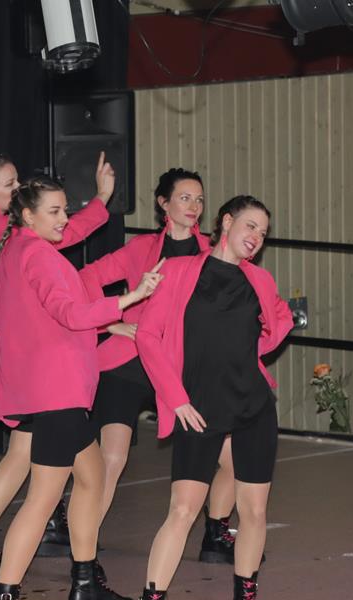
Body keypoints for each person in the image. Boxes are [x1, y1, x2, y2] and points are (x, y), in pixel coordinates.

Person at [0, 175, 160, 600]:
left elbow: (6, 316)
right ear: (28, 215)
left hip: (39, 387)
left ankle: (85, 584)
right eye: (56, 211)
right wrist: (130, 298)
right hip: (55, 391)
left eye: (65, 210)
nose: (65, 219)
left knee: (92, 476)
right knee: (43, 497)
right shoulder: (38, 255)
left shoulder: (13, 251)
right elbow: (70, 314)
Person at [132, 196, 293, 600]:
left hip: (253, 406)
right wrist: (176, 397)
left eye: (263, 232)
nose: (256, 236)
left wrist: (256, 350)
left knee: (254, 511)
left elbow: (279, 320)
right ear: (226, 222)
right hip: (198, 408)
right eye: (250, 225)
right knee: (183, 511)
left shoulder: (260, 279)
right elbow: (148, 336)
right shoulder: (180, 271)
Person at [0, 155, 116, 575]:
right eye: (10, 185)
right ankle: (8, 590)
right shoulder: (19, 242)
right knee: (43, 488)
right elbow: (67, 249)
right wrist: (100, 200)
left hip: (15, 367)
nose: (17, 188)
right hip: (44, 374)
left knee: (44, 462)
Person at [78, 168, 237, 563]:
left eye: (199, 199)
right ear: (164, 204)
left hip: (180, 366)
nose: (194, 206)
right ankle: (83, 551)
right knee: (112, 458)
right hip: (129, 363)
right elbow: (84, 278)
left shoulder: (212, 254)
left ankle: (216, 533)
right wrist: (110, 323)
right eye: (185, 197)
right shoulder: (141, 248)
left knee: (234, 456)